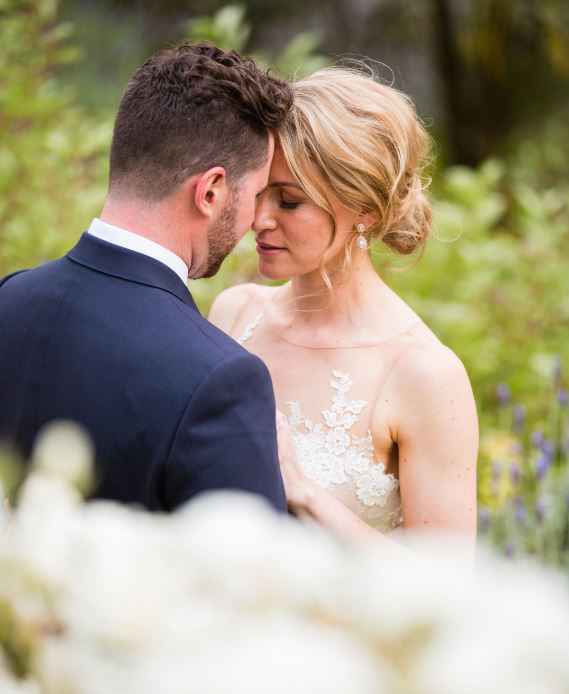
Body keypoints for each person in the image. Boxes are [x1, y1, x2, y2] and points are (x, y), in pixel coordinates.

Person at [0, 43, 293, 512]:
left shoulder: (9, 298)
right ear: (212, 191)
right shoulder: (221, 380)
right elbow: (252, 578)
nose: (257, 219)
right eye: (256, 194)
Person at [210, 66, 479, 546]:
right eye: (258, 194)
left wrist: (305, 495)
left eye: (289, 202)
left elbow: (445, 589)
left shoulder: (424, 373)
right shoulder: (235, 315)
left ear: (365, 209)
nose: (259, 220)